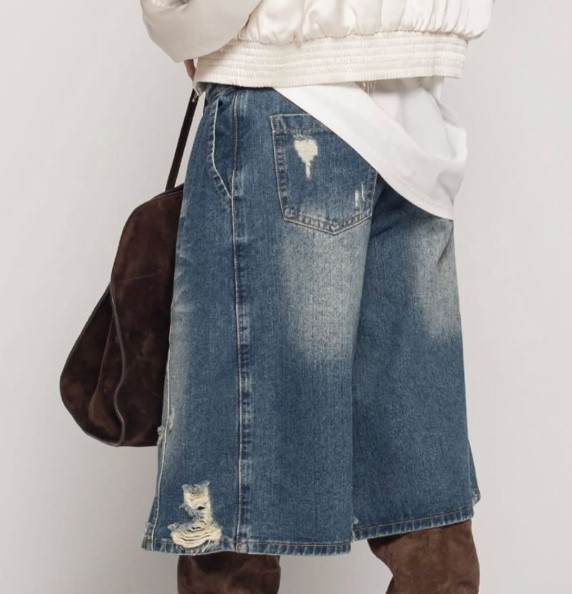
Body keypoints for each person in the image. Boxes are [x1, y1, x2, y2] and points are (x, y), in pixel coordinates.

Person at [137, 1, 495, 592]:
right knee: (421, 489)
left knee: (233, 496)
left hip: (286, 95)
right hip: (413, 118)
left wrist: (185, 22)